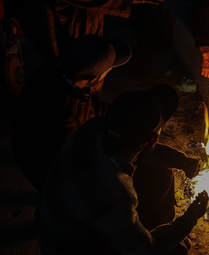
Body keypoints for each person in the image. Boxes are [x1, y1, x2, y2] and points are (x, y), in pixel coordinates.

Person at [36, 85, 209, 255]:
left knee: (158, 170)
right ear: (153, 140)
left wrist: (182, 162)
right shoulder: (114, 191)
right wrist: (189, 219)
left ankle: (141, 231)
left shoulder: (94, 129)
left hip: (65, 223)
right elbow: (145, 254)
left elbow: (145, 153)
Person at [11, 34, 131, 190]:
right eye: (108, 69)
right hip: (42, 167)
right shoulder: (66, 112)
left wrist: (118, 111)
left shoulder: (55, 73)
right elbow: (73, 159)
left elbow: (87, 108)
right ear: (93, 78)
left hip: (28, 145)